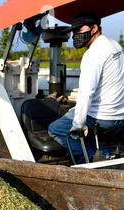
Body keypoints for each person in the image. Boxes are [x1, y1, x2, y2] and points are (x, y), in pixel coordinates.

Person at [48, 11, 124, 163]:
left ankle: (99, 158)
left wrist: (77, 125)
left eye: (79, 30)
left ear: (94, 28)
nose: (76, 35)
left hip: (102, 118)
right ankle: (110, 154)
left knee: (57, 129)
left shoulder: (93, 53)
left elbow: (86, 93)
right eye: (74, 32)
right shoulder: (115, 45)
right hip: (120, 117)